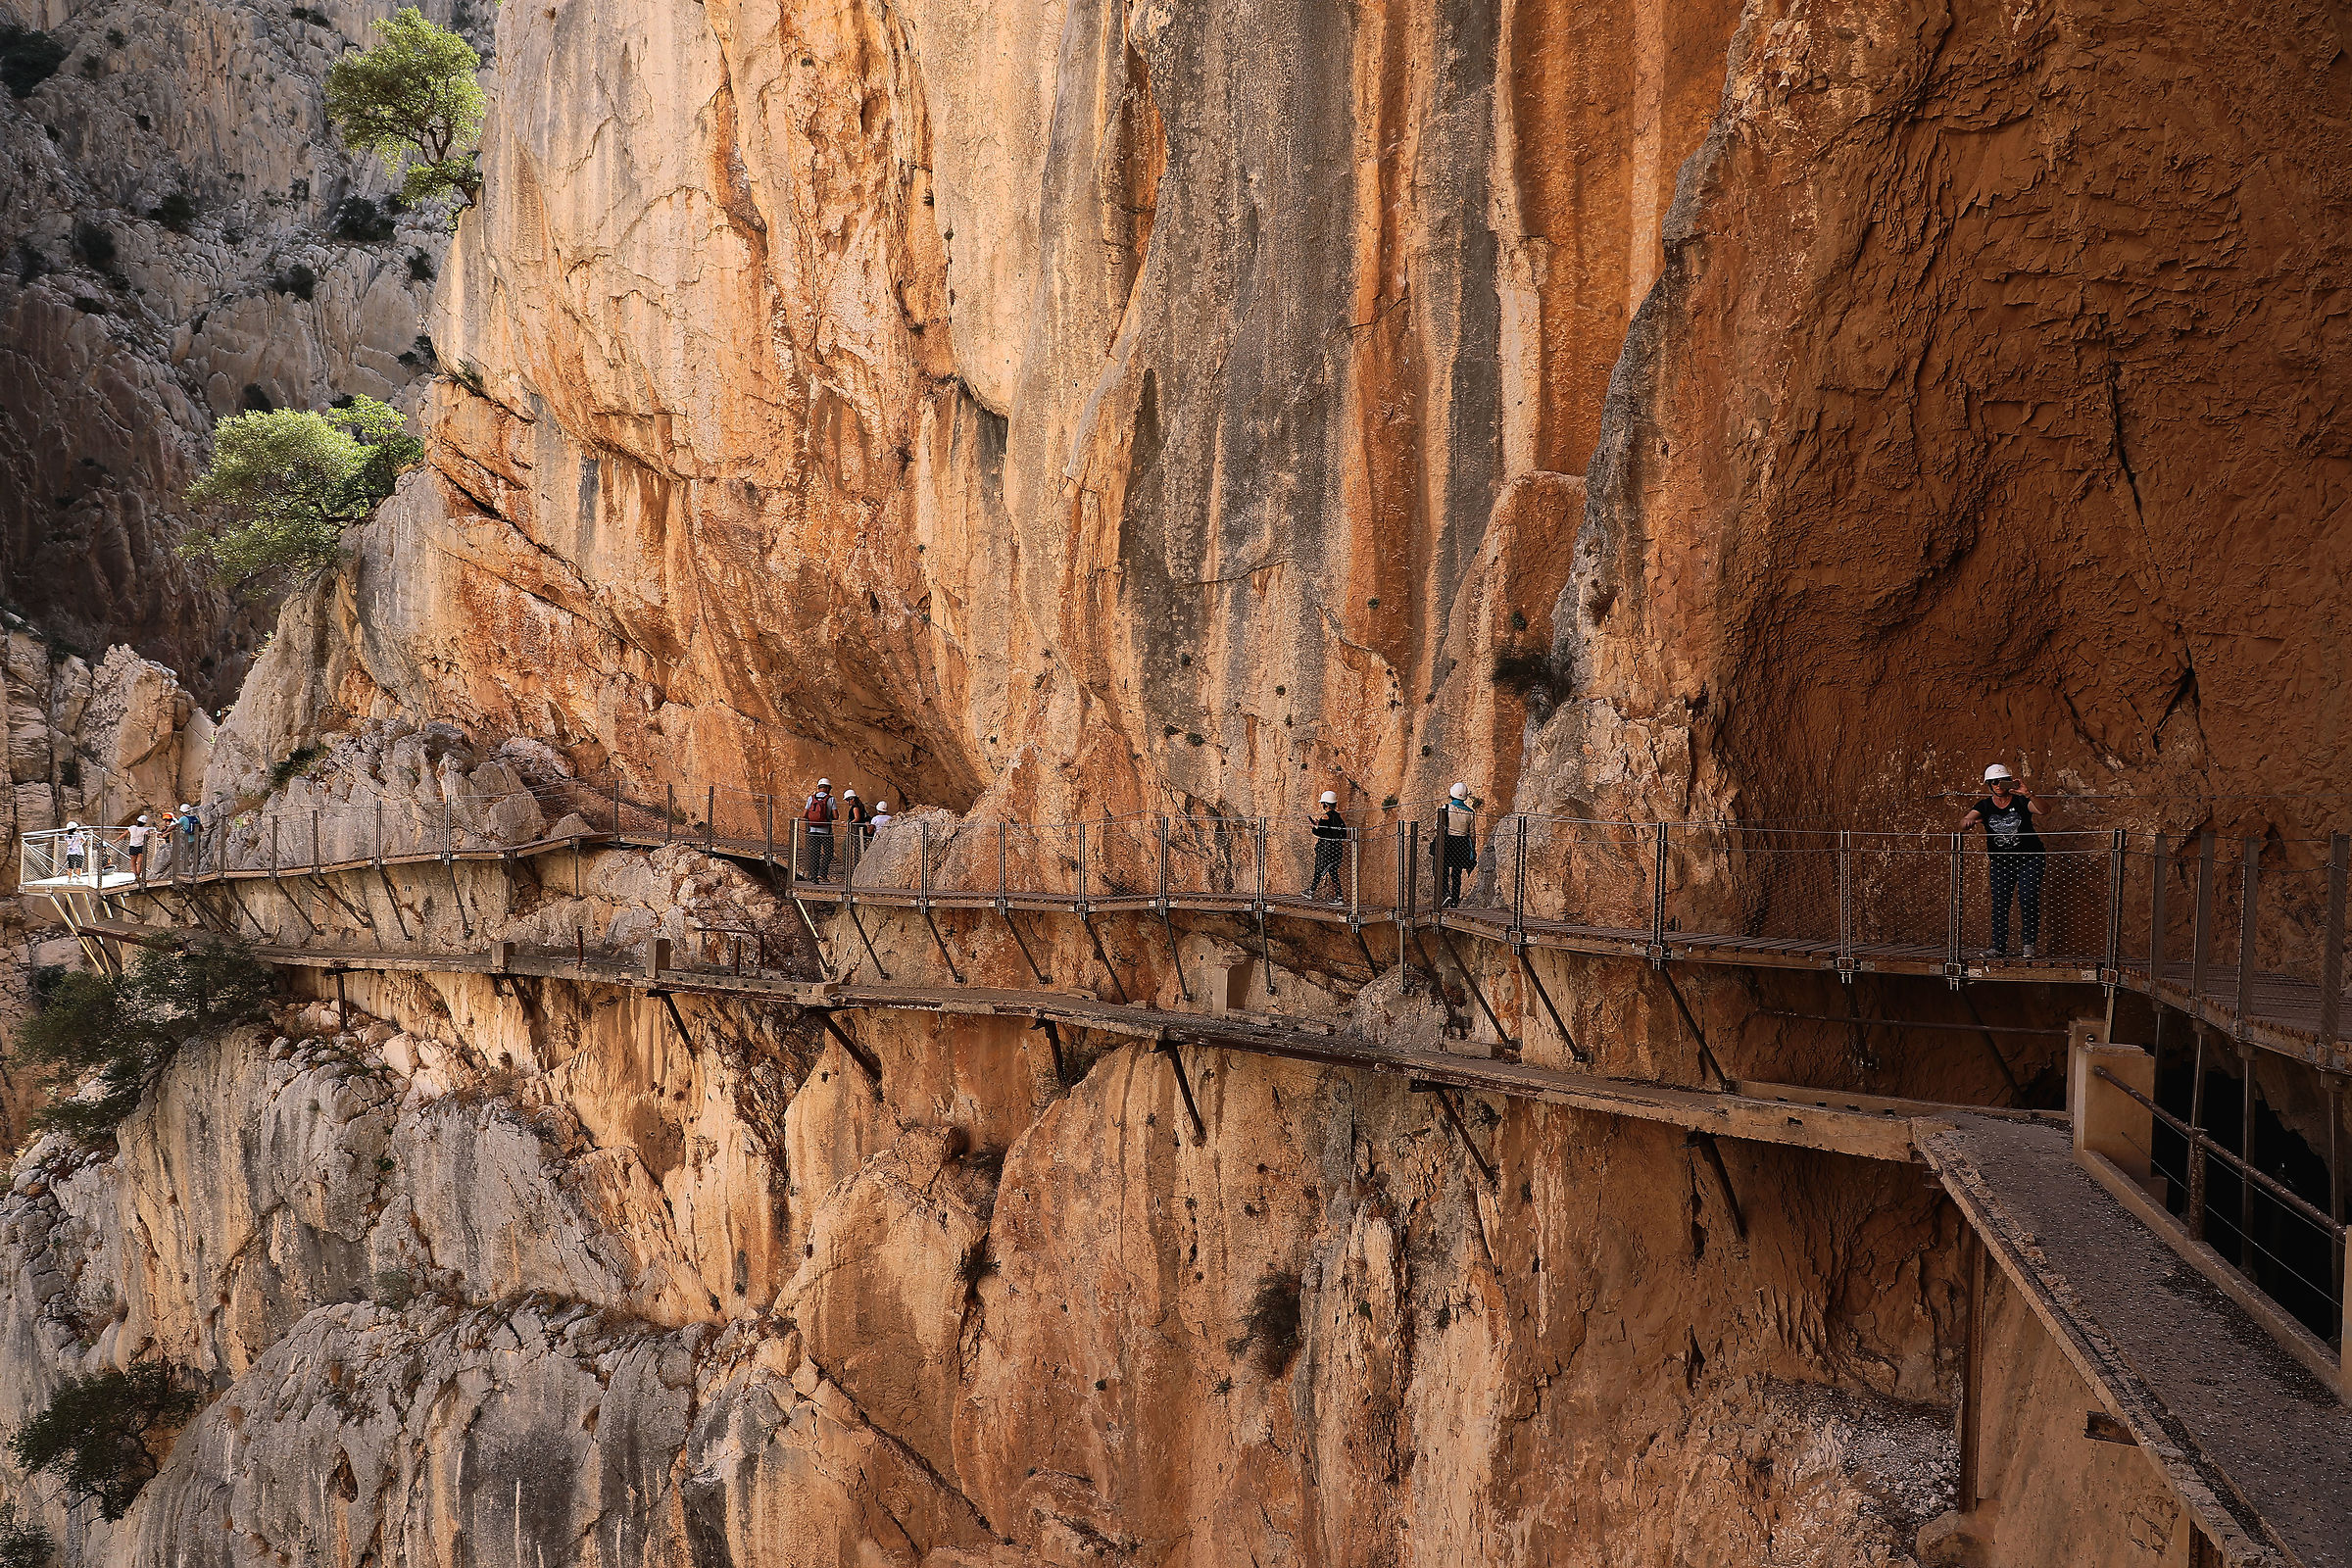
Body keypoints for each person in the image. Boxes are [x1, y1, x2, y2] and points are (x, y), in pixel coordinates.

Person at [1959, 763, 2047, 957]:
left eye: (2000, 781)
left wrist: (2028, 794)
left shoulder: (2021, 802)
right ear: (1988, 785)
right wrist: (1969, 822)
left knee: (2028, 898)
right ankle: (1998, 947)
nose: (1997, 785)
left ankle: (2028, 945)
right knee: (2000, 903)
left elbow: (2043, 810)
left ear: (2009, 782)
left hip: (2029, 859)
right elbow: (1965, 820)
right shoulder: (1985, 806)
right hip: (2001, 863)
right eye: (1993, 782)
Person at [1437, 782, 1477, 906]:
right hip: (1462, 843)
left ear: (1452, 794)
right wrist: (1472, 850)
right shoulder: (1470, 813)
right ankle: (1454, 900)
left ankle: (1445, 893)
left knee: (1440, 868)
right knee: (1456, 873)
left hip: (1448, 842)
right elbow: (1472, 834)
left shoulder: (1445, 808)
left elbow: (1437, 826)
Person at [1306, 791, 1348, 901]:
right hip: (1337, 849)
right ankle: (1339, 896)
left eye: (1322, 803)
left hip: (1327, 849)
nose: (1322, 805)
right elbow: (1341, 833)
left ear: (1326, 804)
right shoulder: (1338, 817)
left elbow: (1319, 832)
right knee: (1333, 872)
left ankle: (1311, 891)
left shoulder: (1325, 817)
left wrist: (1314, 826)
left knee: (1319, 869)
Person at [803, 778, 837, 881]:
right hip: (826, 831)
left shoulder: (811, 798)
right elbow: (835, 816)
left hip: (812, 831)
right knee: (828, 853)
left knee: (814, 854)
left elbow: (804, 815)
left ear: (818, 787)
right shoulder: (831, 799)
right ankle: (822, 874)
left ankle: (813, 877)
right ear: (827, 788)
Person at [122, 813, 153, 882]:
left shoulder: (132, 828)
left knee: (133, 861)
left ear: (137, 821)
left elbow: (124, 834)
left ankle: (135, 874)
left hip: (132, 846)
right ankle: (138, 875)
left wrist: (116, 840)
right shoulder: (145, 829)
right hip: (141, 846)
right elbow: (147, 837)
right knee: (139, 862)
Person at [841, 788, 871, 857]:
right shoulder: (859, 806)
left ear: (852, 799)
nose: (846, 802)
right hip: (858, 829)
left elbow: (857, 818)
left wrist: (849, 823)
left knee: (850, 846)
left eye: (846, 800)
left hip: (856, 829)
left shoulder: (855, 808)